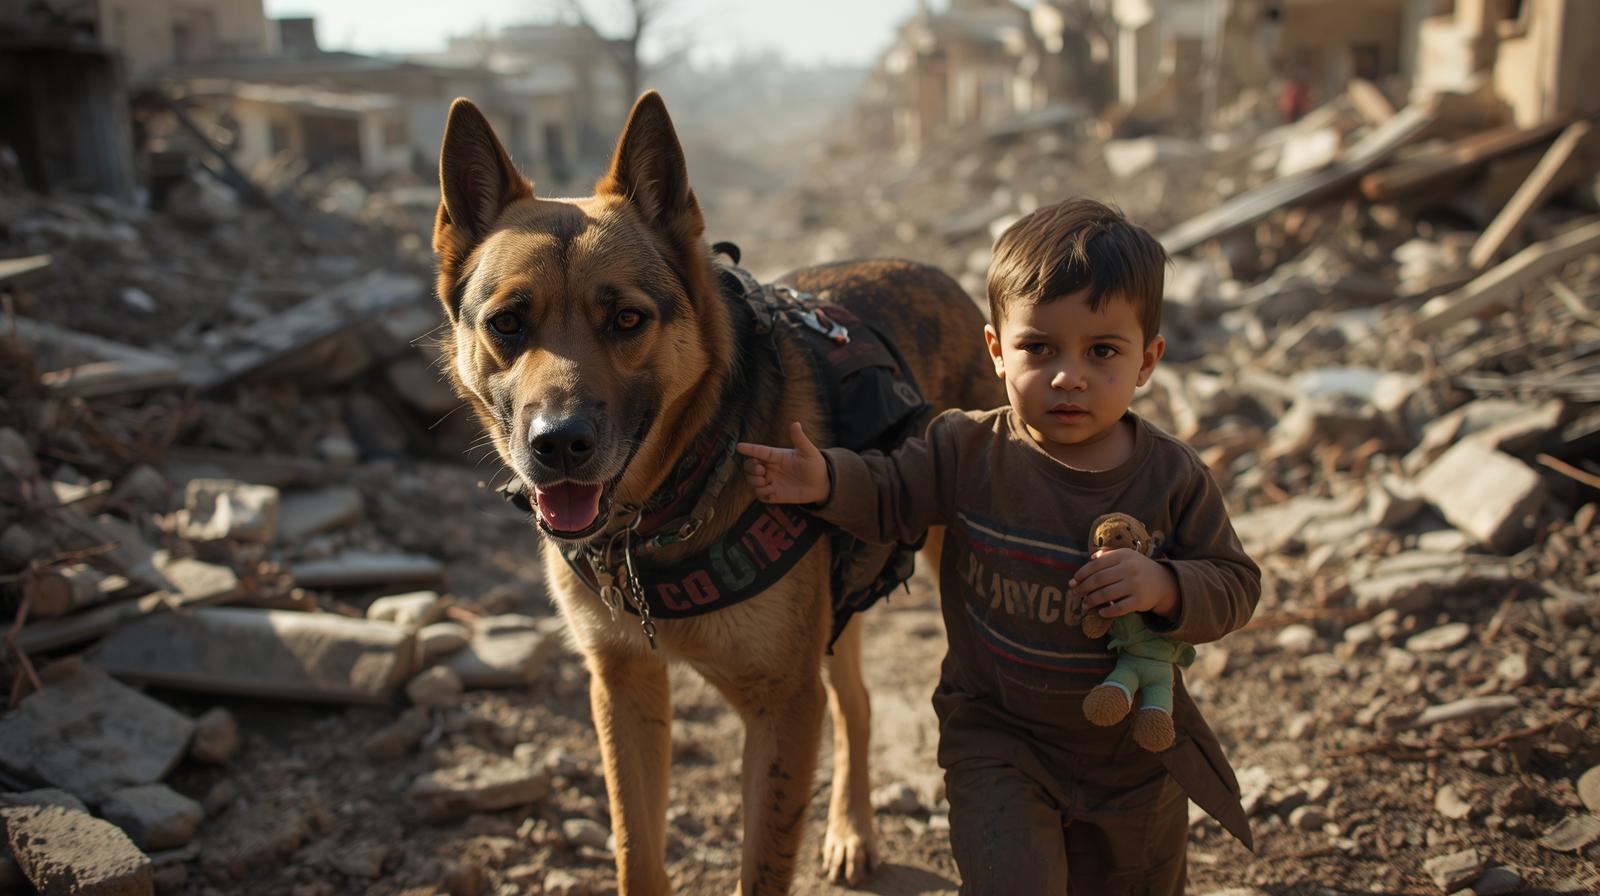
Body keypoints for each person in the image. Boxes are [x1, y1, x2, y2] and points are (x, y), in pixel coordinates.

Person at [736, 198, 1259, 894]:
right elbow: (894, 491)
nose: (1067, 375)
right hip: (998, 741)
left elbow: (1234, 583)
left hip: (1131, 757)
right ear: (994, 351)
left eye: (1101, 351)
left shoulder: (1170, 476)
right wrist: (824, 478)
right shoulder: (967, 448)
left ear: (1147, 361)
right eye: (1038, 348)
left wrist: (1167, 589)